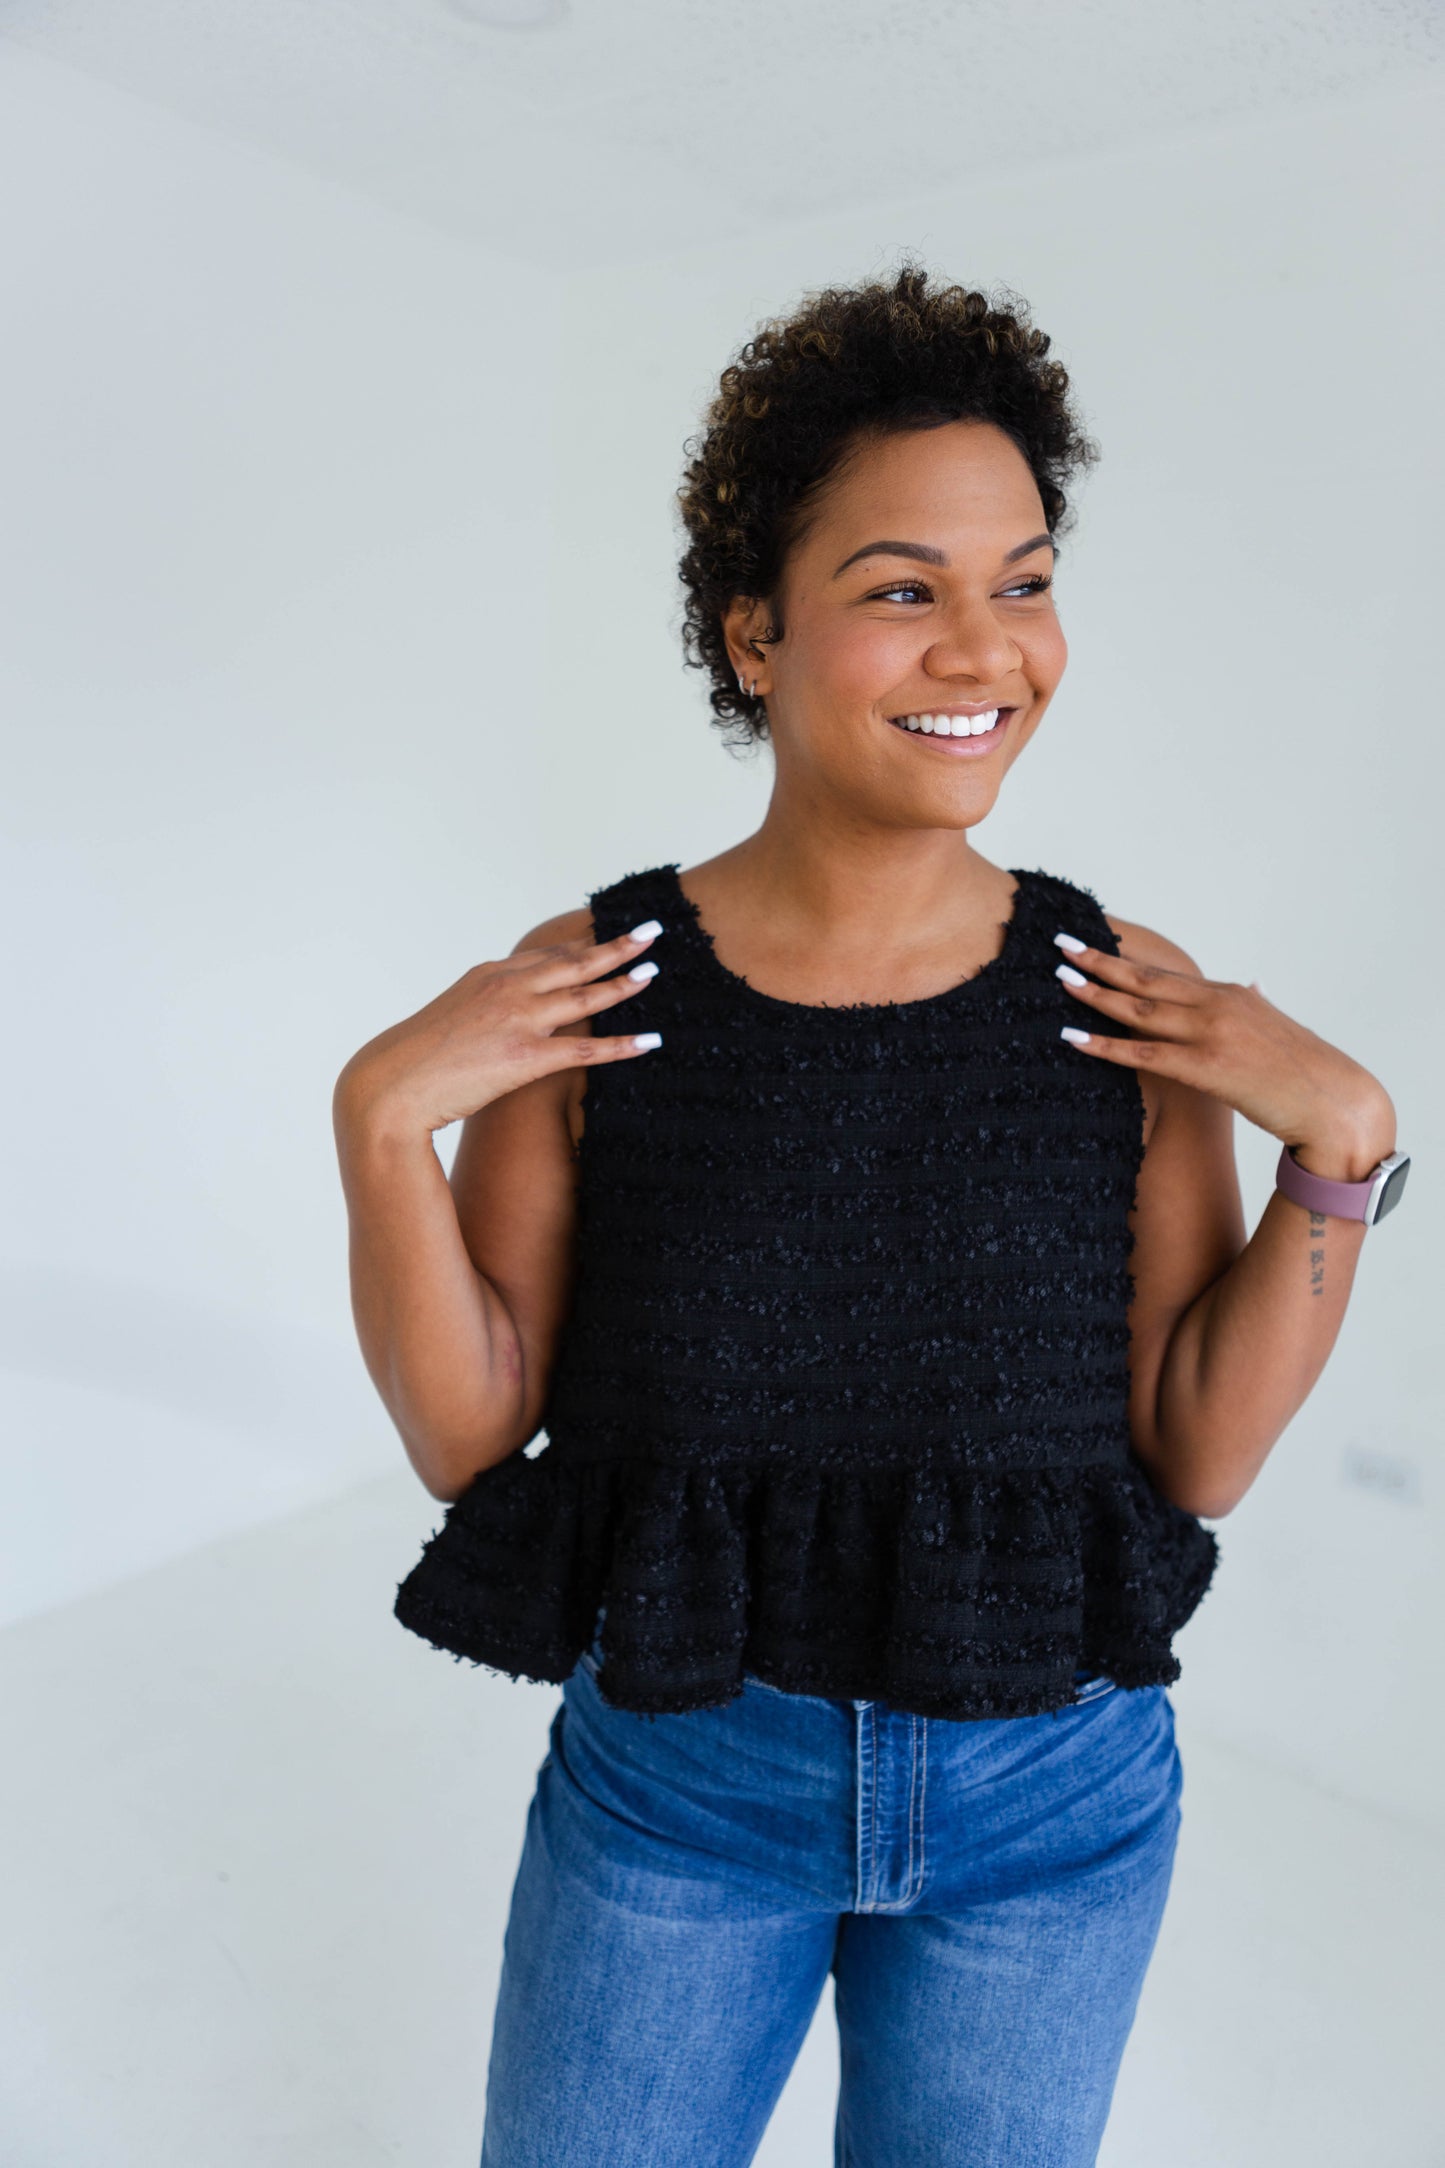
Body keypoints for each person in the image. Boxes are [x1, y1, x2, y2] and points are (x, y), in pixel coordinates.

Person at [332, 267, 1406, 2168]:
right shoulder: (594, 984)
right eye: (902, 589)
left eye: (1025, 578)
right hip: (684, 1792)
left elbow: (1199, 1451)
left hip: (1054, 1810)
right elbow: (467, 1430)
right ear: (752, 633)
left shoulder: (1112, 991)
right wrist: (379, 1121)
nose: (985, 650)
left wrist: (1339, 1139)